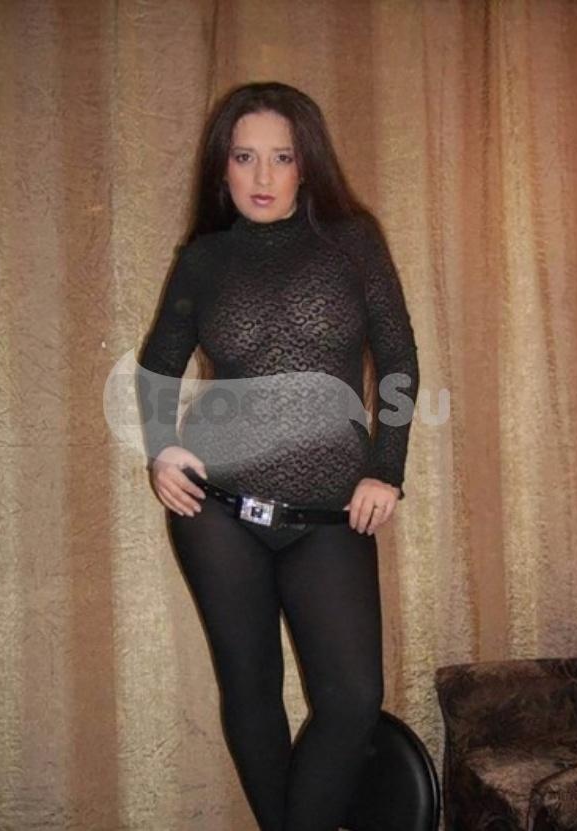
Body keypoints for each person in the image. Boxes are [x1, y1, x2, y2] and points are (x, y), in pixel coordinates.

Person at [136, 81, 419, 831]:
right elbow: (158, 365)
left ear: (306, 164)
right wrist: (161, 450)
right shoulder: (203, 260)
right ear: (222, 167)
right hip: (217, 510)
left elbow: (397, 358)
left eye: (282, 157)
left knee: (352, 698)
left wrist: (386, 467)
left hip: (330, 511)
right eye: (244, 157)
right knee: (252, 689)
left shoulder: (353, 243)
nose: (262, 176)